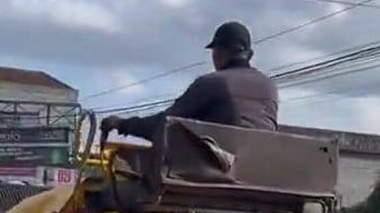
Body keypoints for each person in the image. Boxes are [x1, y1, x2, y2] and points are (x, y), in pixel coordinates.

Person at [100, 21, 278, 142]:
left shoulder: (212, 83)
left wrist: (123, 124)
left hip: (216, 175)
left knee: (109, 195)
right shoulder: (270, 86)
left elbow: (163, 125)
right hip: (264, 175)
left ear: (220, 52)